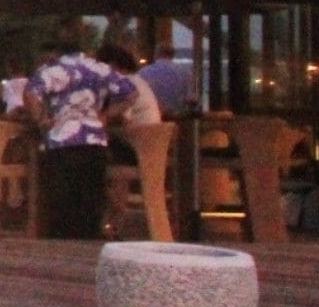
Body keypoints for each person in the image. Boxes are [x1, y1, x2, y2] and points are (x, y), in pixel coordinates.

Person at [28, 33, 136, 239]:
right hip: (94, 140)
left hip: (61, 140)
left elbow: (31, 93)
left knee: (62, 201)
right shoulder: (100, 68)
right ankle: (87, 242)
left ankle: (62, 244)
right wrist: (106, 114)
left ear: (59, 53)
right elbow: (131, 94)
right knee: (90, 198)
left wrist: (41, 118)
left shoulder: (53, 70)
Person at [138, 38, 197, 118]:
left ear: (157, 54)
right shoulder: (185, 73)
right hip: (176, 119)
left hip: (151, 117)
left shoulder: (143, 72)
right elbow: (191, 99)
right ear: (173, 55)